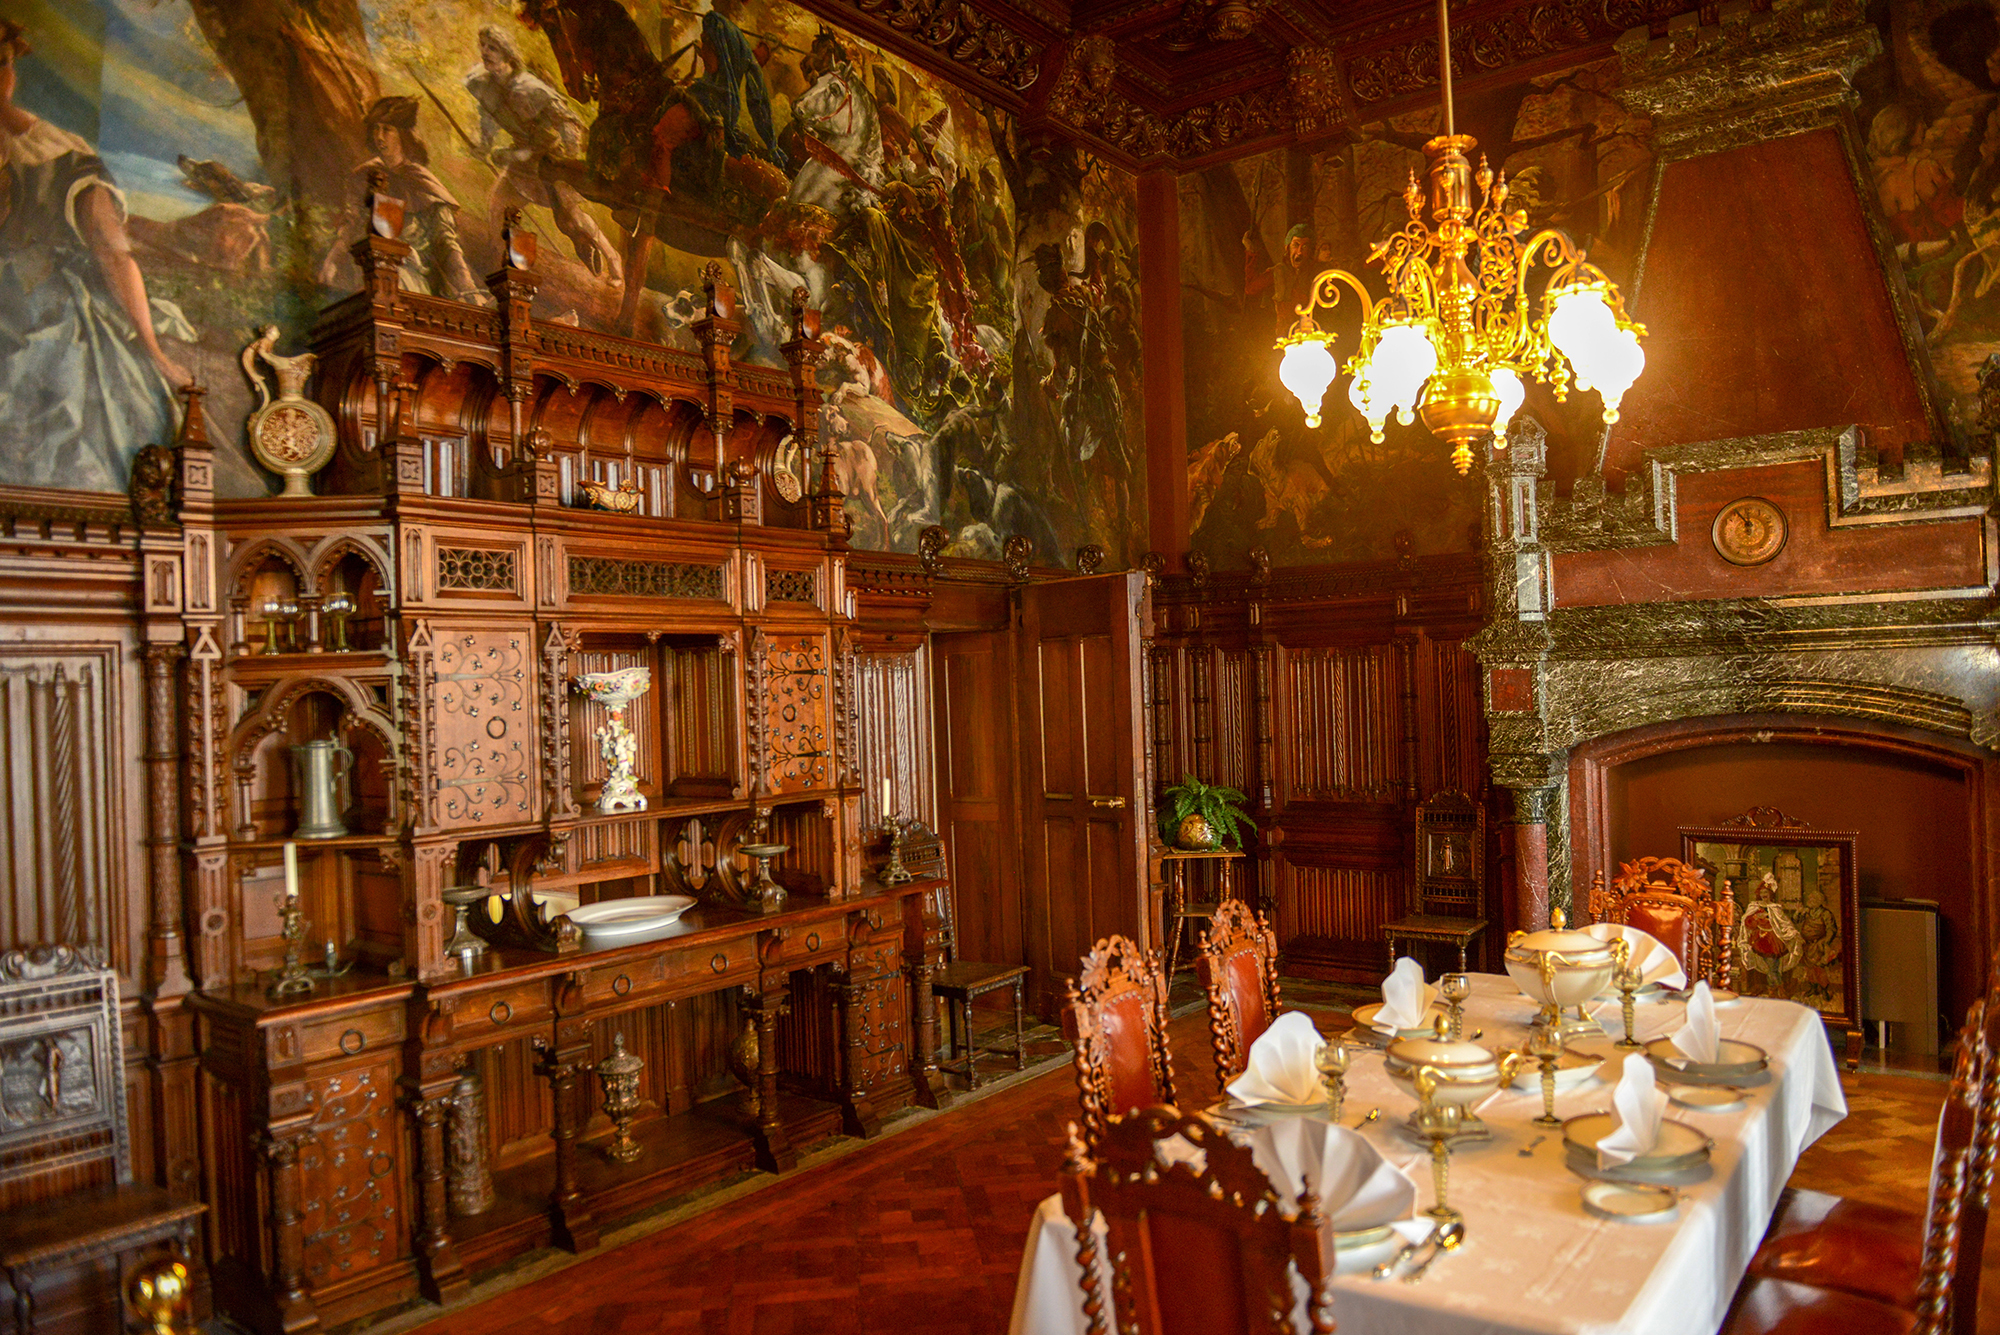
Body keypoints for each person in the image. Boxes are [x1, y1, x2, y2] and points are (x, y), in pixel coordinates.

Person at [0, 20, 190, 493]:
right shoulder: (54, 154)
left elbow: (114, 253)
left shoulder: (57, 155)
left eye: (3, 64)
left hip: (40, 317)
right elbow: (114, 253)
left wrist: (155, 352)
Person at [466, 27, 623, 282]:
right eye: (482, 46)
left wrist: (569, 158)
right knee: (497, 204)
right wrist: (483, 146)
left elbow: (568, 121)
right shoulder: (485, 86)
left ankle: (613, 258)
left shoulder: (530, 87)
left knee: (573, 220)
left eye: (492, 47)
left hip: (550, 162)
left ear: (506, 53)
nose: (485, 52)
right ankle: (497, 265)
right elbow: (488, 121)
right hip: (521, 163)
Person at [325, 97, 487, 305]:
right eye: (376, 129)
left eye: (387, 129)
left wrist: (468, 288)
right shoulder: (363, 175)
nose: (379, 136)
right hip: (363, 270)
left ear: (403, 134)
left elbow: (445, 242)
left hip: (408, 275)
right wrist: (332, 260)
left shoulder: (422, 182)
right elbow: (352, 224)